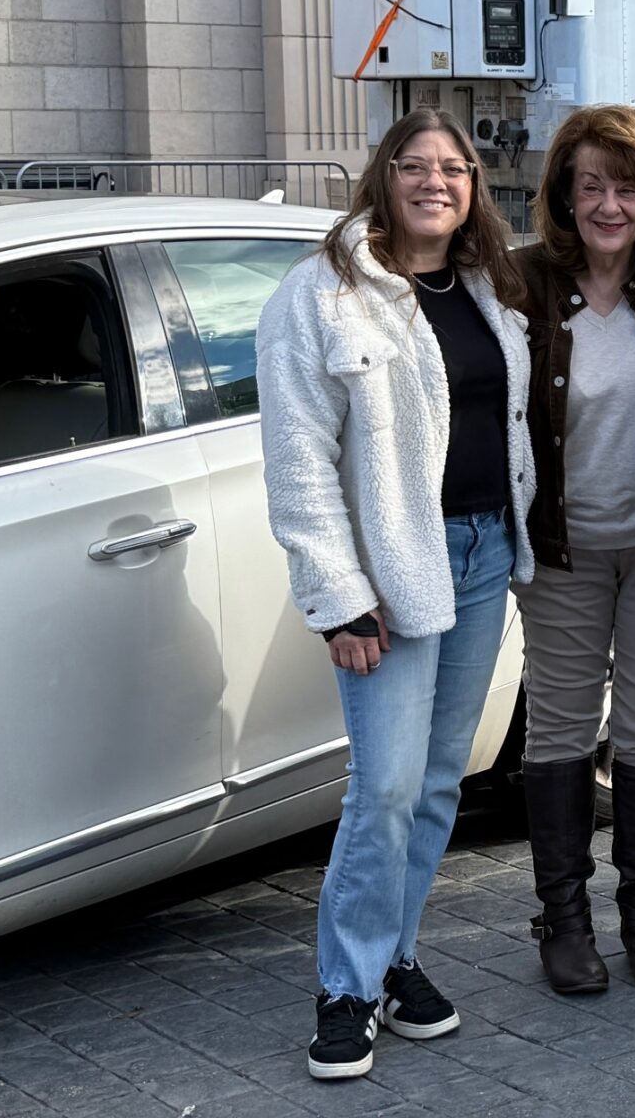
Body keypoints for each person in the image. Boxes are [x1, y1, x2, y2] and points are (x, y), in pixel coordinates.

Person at [258, 110, 534, 1080]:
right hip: (390, 570)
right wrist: (337, 596)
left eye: (454, 167)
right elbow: (298, 460)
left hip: (484, 553)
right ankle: (346, 986)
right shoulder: (323, 295)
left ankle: (393, 956)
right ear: (383, 176)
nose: (435, 182)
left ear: (473, 187)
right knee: (381, 786)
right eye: (414, 165)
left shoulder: (487, 286)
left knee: (439, 781)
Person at [512, 103, 635, 995]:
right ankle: (562, 920)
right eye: (590, 185)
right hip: (562, 550)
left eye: (625, 189)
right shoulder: (522, 283)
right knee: (559, 728)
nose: (607, 205)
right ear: (563, 193)